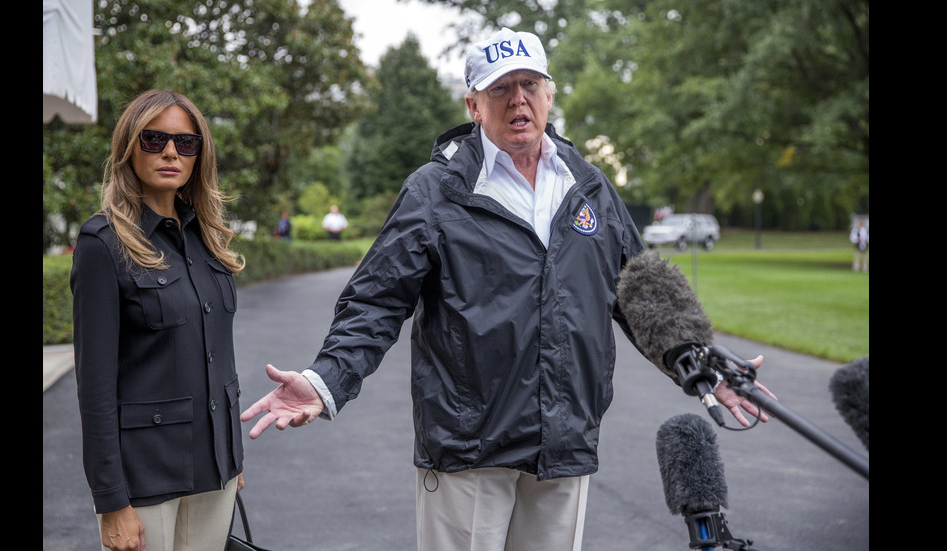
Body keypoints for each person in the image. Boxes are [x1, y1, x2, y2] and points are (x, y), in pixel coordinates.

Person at [241, 28, 774, 551]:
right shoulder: (435, 190)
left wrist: (702, 365)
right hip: (469, 449)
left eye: (530, 84)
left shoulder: (587, 185)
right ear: (474, 105)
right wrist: (326, 379)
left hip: (565, 443)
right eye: (500, 88)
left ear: (549, 95)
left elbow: (641, 292)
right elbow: (376, 300)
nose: (518, 99)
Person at [70, 89, 246, 551]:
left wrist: (231, 457)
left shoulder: (209, 242)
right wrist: (110, 500)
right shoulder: (103, 244)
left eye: (186, 143)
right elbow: (94, 387)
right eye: (154, 139)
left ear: (198, 156)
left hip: (216, 471)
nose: (171, 152)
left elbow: (219, 358)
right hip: (144, 479)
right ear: (130, 147)